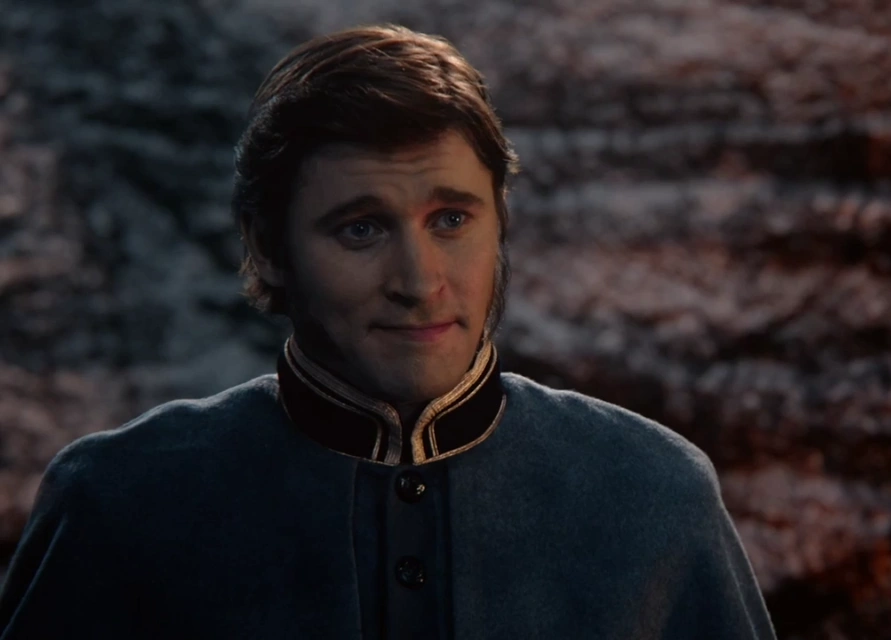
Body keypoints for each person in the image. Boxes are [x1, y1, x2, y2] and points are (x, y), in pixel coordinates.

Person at [0, 24, 778, 640]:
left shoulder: (654, 491)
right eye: (361, 229)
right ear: (268, 248)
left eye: (451, 220)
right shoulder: (118, 503)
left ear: (500, 223)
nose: (419, 280)